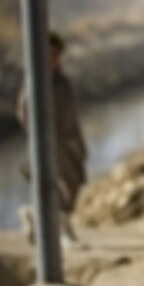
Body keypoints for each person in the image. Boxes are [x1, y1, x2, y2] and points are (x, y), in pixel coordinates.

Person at [17, 30, 87, 248]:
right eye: (50, 54)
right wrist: (42, 139)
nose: (55, 59)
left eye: (57, 54)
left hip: (70, 143)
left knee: (74, 185)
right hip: (52, 144)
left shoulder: (60, 80)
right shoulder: (36, 83)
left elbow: (71, 115)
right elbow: (24, 113)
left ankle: (33, 215)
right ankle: (64, 234)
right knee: (60, 188)